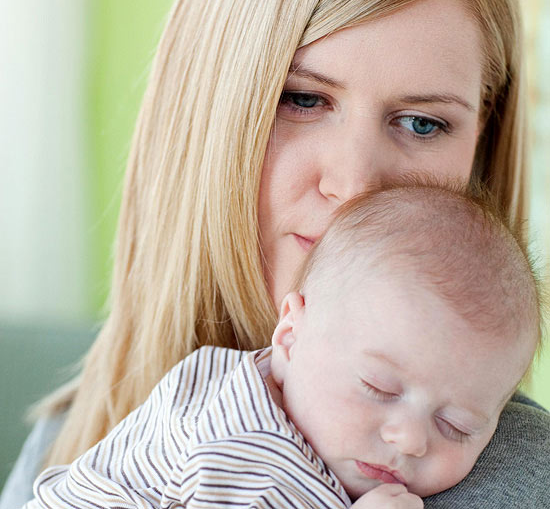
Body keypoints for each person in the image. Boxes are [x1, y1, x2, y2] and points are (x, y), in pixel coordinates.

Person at [2, 0, 550, 507]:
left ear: (481, 144)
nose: (356, 186)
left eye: (422, 123)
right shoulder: (70, 438)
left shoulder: (500, 476)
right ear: (205, 113)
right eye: (304, 99)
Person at [22, 185, 541, 509]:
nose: (409, 439)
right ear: (290, 335)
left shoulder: (250, 376)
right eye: (378, 387)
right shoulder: (254, 450)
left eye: (457, 427)